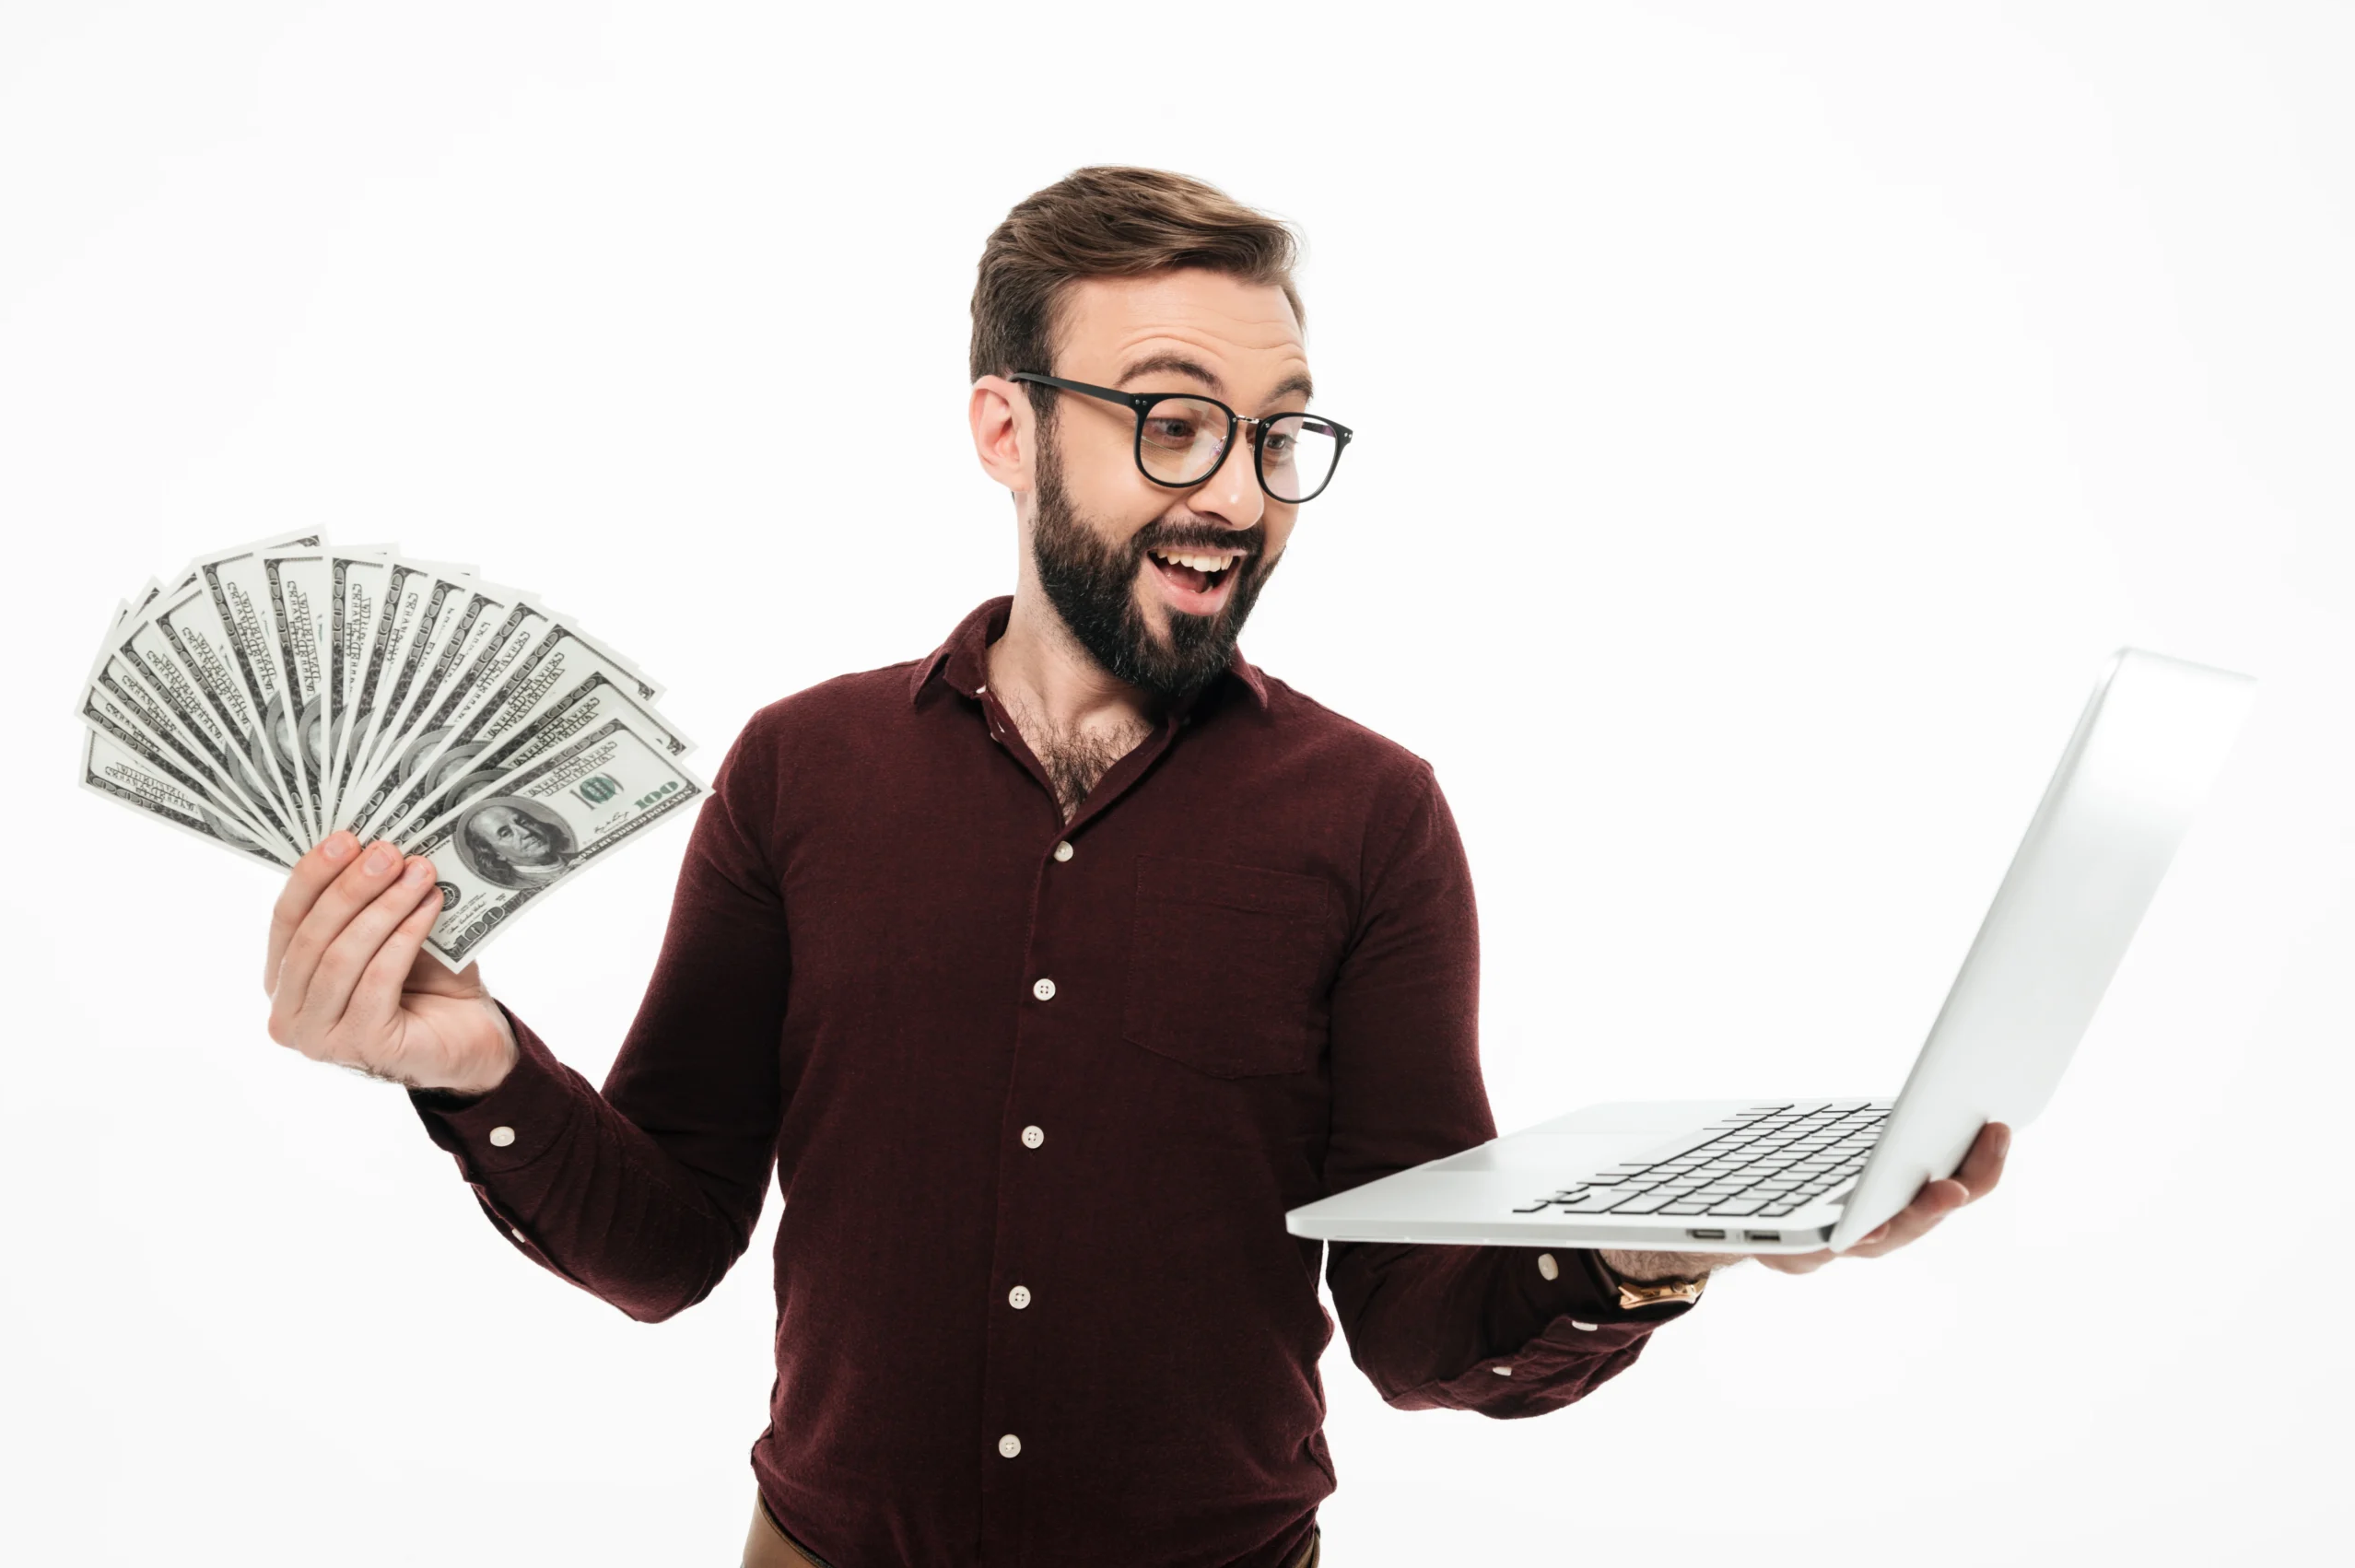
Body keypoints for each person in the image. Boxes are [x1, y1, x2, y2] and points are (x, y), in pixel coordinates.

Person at [260, 166, 2010, 1568]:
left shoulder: (1373, 817)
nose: (1239, 494)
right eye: (1171, 422)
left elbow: (1412, 1331)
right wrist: (478, 1066)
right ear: (1005, 430)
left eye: (1276, 434)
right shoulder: (804, 770)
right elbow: (663, 1245)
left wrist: (1655, 1247)